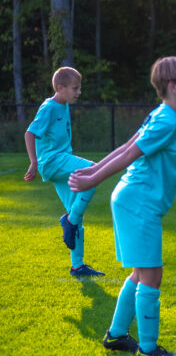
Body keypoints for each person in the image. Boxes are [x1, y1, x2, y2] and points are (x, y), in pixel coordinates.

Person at [68, 56, 176, 356]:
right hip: (139, 204)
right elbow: (130, 154)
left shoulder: (164, 114)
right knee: (152, 275)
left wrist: (93, 171)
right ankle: (150, 349)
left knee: (141, 274)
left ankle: (116, 336)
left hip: (135, 201)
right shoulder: (166, 120)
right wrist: (93, 179)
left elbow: (128, 147)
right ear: (173, 86)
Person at [24, 67, 104, 277]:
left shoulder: (64, 104)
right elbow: (30, 133)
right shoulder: (49, 107)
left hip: (60, 161)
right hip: (52, 161)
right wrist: (33, 162)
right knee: (92, 172)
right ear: (60, 88)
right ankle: (70, 220)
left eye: (80, 88)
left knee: (77, 213)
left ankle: (77, 266)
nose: (79, 92)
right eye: (75, 88)